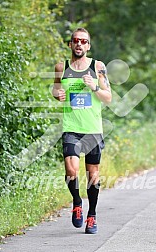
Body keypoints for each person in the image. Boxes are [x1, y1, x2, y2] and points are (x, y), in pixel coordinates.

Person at [52, 27, 112, 234]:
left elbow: (109, 97)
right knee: (71, 170)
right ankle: (77, 203)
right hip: (71, 127)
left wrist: (94, 87)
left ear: (88, 45)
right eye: (76, 40)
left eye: (84, 41)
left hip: (92, 129)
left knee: (92, 174)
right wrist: (57, 94)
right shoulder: (62, 67)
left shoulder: (98, 67)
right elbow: (55, 88)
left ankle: (92, 215)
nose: (79, 44)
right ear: (70, 44)